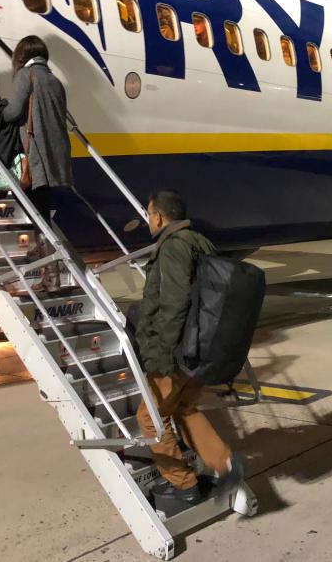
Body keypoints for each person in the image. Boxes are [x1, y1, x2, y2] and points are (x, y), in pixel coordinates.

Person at [133, 189, 243, 508]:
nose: (148, 220)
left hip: (178, 351)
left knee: (150, 417)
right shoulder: (199, 242)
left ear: (159, 216)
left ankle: (183, 485)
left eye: (148, 214)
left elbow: (175, 302)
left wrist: (164, 354)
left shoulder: (172, 247)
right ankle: (225, 464)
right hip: (201, 346)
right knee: (182, 409)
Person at [2, 36, 73, 293]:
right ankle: (42, 251)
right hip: (56, 159)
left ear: (21, 55)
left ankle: (50, 274)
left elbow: (13, 112)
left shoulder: (26, 76)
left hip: (36, 160)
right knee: (41, 213)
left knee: (38, 216)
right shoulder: (55, 81)